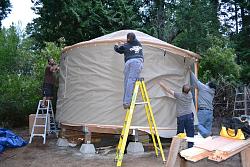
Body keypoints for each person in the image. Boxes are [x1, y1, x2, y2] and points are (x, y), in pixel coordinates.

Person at [159, 82, 194, 148]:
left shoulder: (179, 95)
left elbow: (169, 90)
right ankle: (190, 147)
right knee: (190, 133)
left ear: (182, 90)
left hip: (181, 117)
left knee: (180, 133)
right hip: (189, 116)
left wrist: (162, 84)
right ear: (189, 91)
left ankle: (178, 147)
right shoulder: (190, 95)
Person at [114, 33, 144, 109]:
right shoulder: (138, 43)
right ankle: (127, 102)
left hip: (128, 62)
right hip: (136, 62)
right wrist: (124, 43)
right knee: (130, 81)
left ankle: (126, 102)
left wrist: (116, 44)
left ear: (128, 39)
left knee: (127, 82)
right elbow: (130, 43)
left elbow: (118, 50)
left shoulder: (126, 45)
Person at [189, 70, 216, 138]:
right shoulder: (212, 92)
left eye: (207, 83)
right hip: (210, 111)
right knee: (207, 127)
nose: (206, 83)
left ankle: (208, 134)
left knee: (197, 124)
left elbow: (196, 80)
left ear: (208, 85)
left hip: (203, 111)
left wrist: (190, 71)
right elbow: (197, 86)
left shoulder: (204, 87)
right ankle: (208, 141)